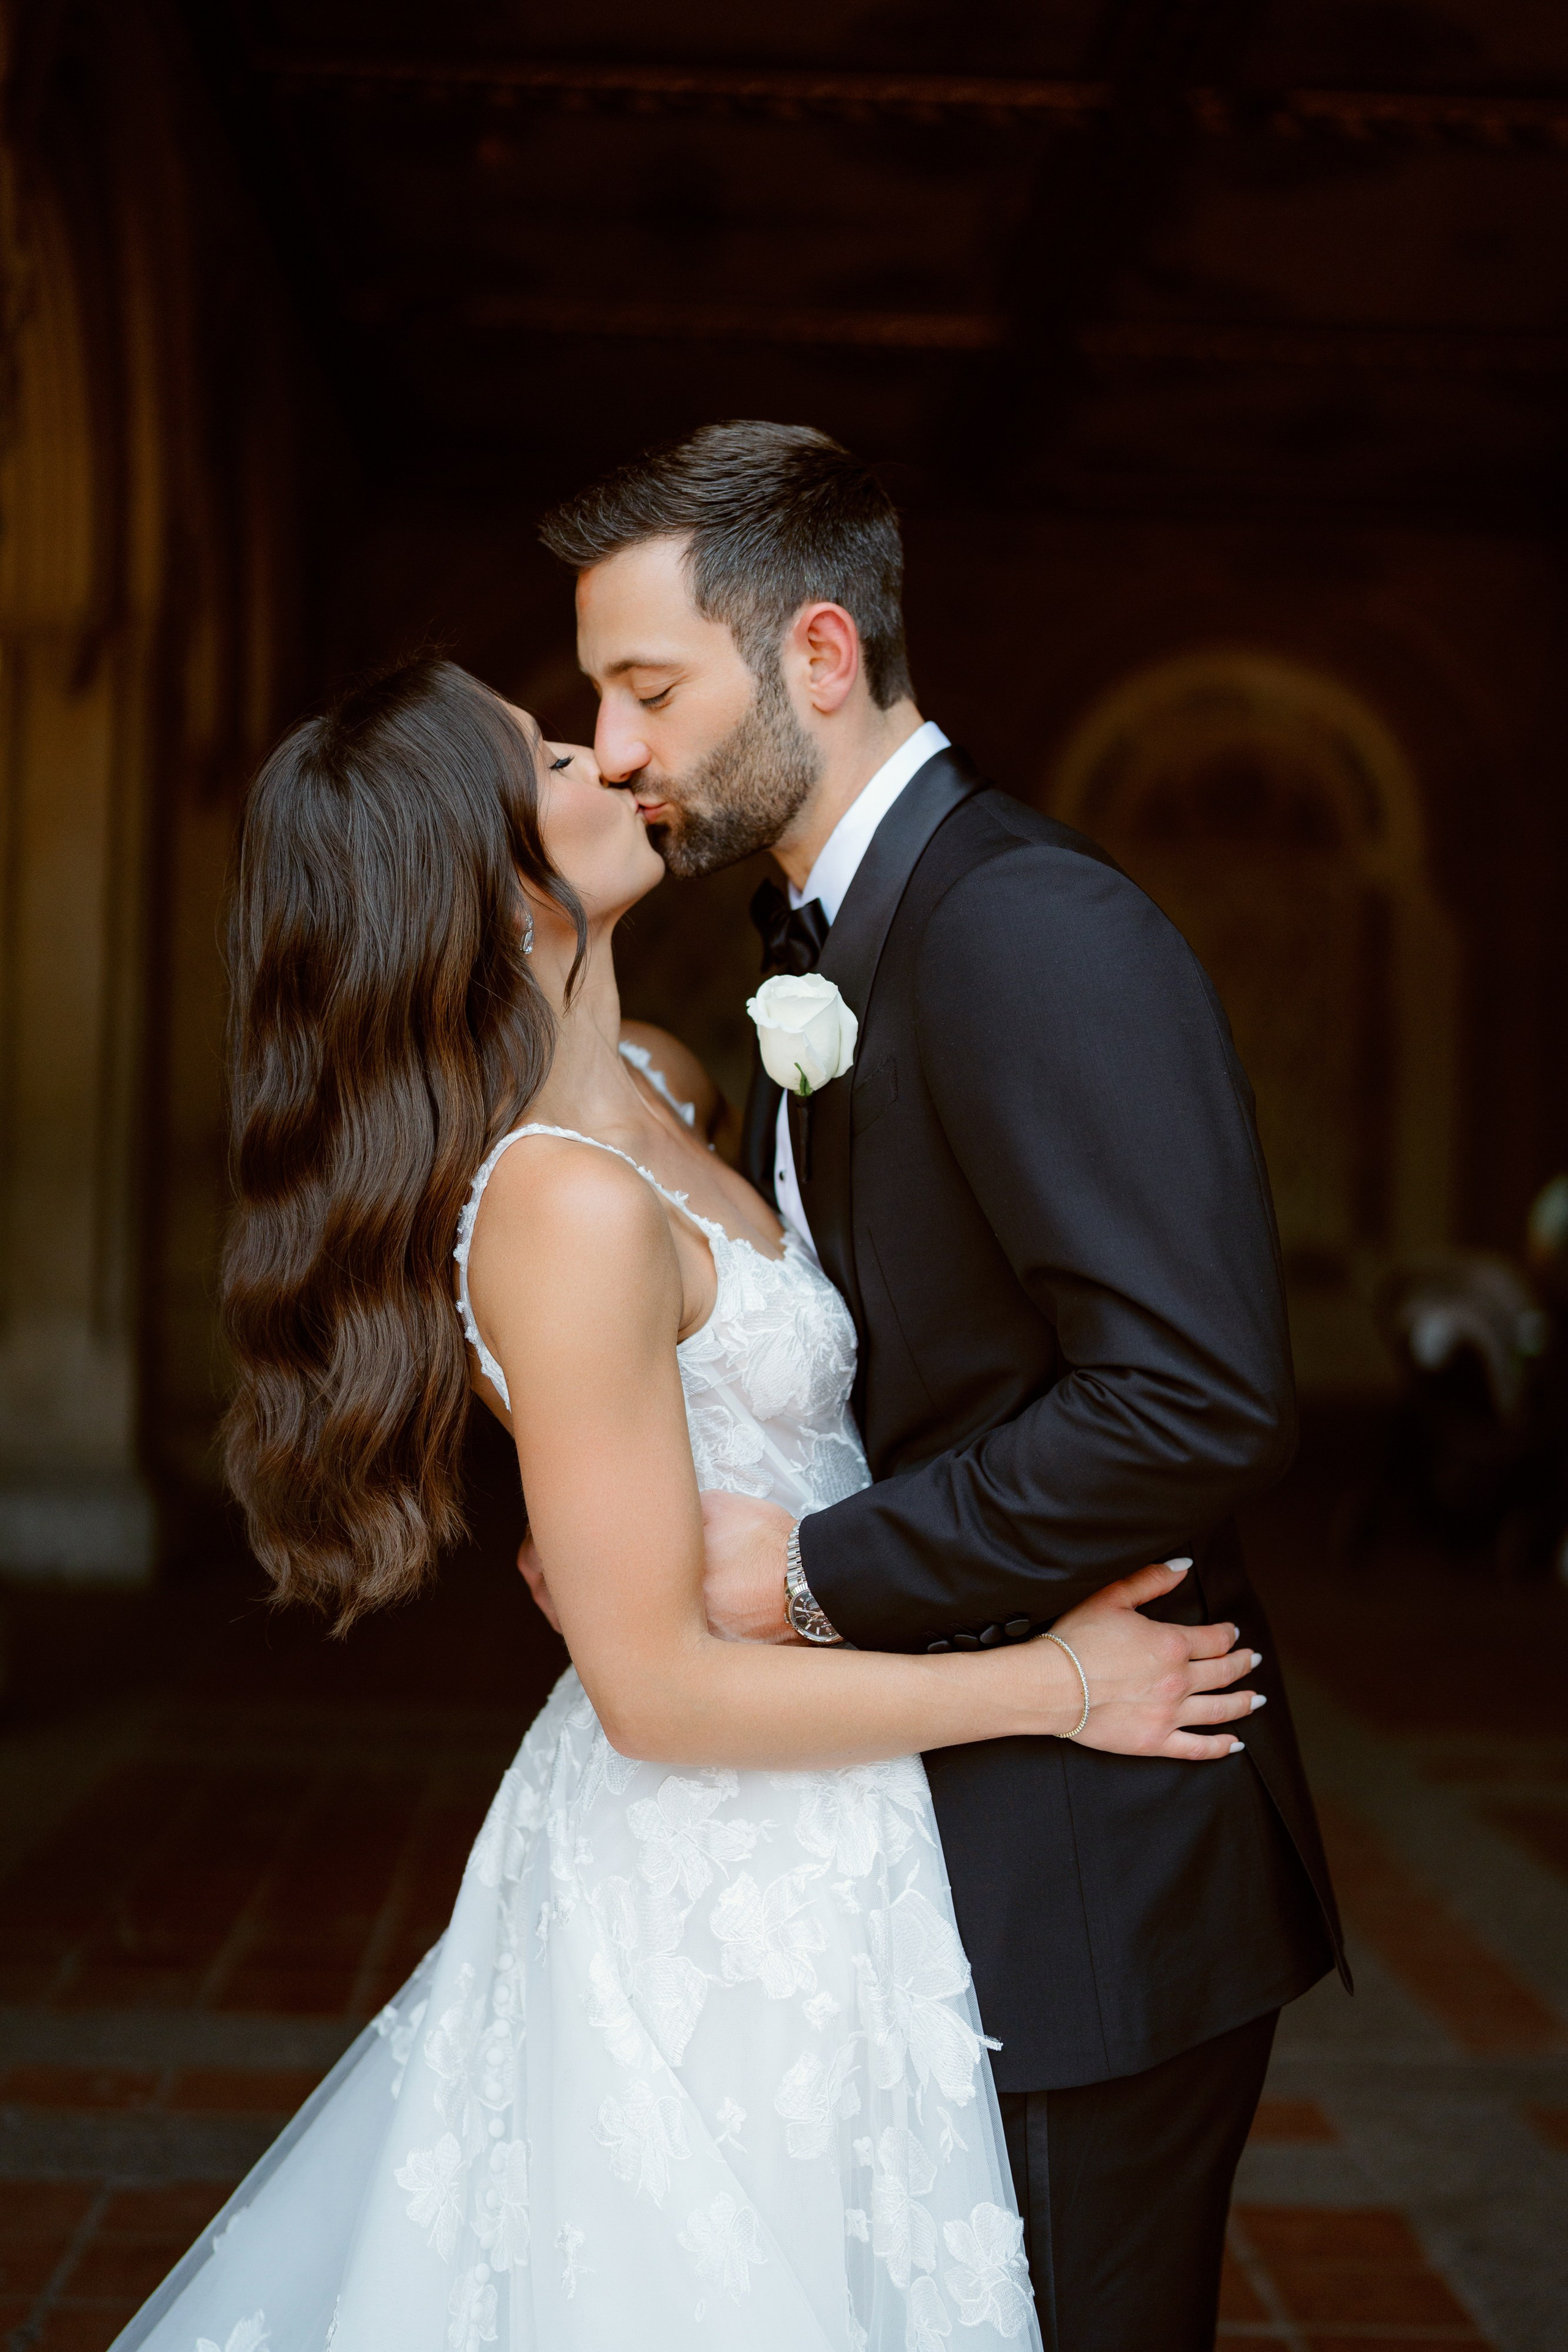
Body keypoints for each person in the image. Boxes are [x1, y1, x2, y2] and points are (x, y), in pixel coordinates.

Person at [110, 656, 1260, 2352]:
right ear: (492, 890)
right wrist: (1063, 1686)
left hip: (844, 1802)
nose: (618, 754)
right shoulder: (554, 1207)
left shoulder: (658, 1080)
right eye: (558, 753)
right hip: (724, 1852)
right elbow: (653, 1692)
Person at [524, 420, 1347, 2352]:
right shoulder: (819, 943)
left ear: (820, 654)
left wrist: (804, 1576)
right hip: (930, 1832)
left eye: (650, 690)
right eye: (596, 706)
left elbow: (1193, 1402)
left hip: (1091, 1865)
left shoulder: (1025, 926)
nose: (620, 748)